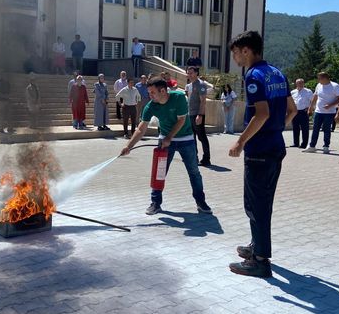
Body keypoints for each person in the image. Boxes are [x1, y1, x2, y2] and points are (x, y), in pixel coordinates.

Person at [227, 30, 297, 278]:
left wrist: (241, 142)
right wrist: (275, 129)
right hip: (276, 146)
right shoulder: (276, 72)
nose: (235, 57)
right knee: (260, 202)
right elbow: (292, 109)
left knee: (256, 205)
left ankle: (260, 260)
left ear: (246, 50)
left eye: (236, 52)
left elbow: (262, 113)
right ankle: (257, 245)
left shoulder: (254, 75)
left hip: (259, 150)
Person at [119, 77, 212, 216]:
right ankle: (155, 203)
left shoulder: (179, 97)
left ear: (162, 90)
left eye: (152, 92)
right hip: (164, 141)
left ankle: (201, 202)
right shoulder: (150, 106)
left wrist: (169, 137)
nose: (149, 96)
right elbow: (141, 129)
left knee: (194, 172)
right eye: (149, 92)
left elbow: (181, 120)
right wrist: (128, 146)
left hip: (186, 139)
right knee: (159, 172)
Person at [304, 72, 339, 154]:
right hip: (318, 111)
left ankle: (326, 146)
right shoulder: (319, 85)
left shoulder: (335, 86)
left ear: (325, 78)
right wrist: (311, 108)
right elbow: (315, 96)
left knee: (327, 129)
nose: (318, 80)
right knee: (315, 129)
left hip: (329, 112)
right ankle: (312, 146)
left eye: (319, 78)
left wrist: (330, 105)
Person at [186, 66, 211, 166]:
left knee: (202, 137)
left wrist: (200, 115)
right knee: (192, 137)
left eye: (191, 73)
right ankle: (194, 157)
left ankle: (206, 159)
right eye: (188, 73)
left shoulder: (201, 84)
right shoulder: (190, 85)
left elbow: (203, 101)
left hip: (197, 114)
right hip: (190, 114)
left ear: (196, 73)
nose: (189, 75)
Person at [290, 79, 314, 148]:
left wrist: (310, 109)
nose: (300, 84)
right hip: (295, 112)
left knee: (305, 129)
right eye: (298, 83)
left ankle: (304, 144)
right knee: (295, 128)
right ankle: (296, 143)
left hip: (304, 111)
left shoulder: (308, 91)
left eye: (301, 83)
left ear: (303, 83)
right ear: (296, 84)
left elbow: (312, 101)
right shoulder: (293, 92)